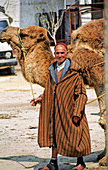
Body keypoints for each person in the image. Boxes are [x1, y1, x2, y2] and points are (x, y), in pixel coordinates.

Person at [30, 42, 91, 170]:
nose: (60, 55)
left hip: (70, 110)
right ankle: (53, 163)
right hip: (55, 109)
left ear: (66, 53)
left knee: (76, 134)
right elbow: (50, 89)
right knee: (54, 134)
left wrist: (77, 113)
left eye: (62, 53)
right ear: (54, 54)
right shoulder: (52, 69)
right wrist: (41, 98)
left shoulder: (74, 72)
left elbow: (81, 94)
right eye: (57, 53)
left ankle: (80, 163)